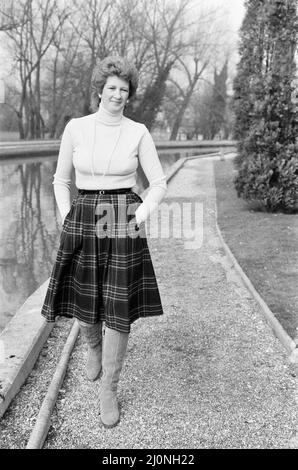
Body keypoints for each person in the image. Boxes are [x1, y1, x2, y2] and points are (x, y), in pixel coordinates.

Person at [41, 55, 167, 428]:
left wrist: (138, 216)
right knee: (85, 292)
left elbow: (158, 183)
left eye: (123, 90)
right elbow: (61, 180)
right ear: (99, 90)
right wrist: (67, 215)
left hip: (122, 216)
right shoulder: (76, 128)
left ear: (129, 96)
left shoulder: (138, 131)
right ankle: (92, 347)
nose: (117, 94)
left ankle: (109, 386)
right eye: (111, 87)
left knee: (119, 302)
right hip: (83, 215)